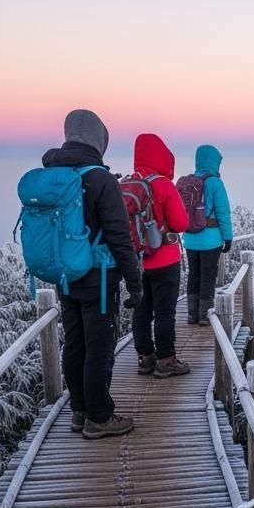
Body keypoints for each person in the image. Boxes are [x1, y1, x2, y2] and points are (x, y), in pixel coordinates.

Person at [42, 110, 141, 439]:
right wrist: (134, 282)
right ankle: (99, 417)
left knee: (75, 343)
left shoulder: (56, 175)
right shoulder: (101, 179)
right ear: (100, 139)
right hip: (99, 277)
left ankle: (80, 412)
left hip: (65, 275)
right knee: (99, 346)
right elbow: (119, 235)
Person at [130, 132, 191, 377]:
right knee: (165, 312)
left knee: (141, 310)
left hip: (136, 261)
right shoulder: (163, 185)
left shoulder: (129, 184)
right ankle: (166, 360)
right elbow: (181, 222)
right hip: (165, 259)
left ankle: (145, 358)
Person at [182, 144, 233, 325]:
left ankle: (191, 314)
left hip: (189, 238)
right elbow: (223, 213)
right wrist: (228, 238)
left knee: (193, 274)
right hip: (210, 239)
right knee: (208, 276)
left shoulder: (188, 182)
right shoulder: (215, 183)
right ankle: (205, 315)